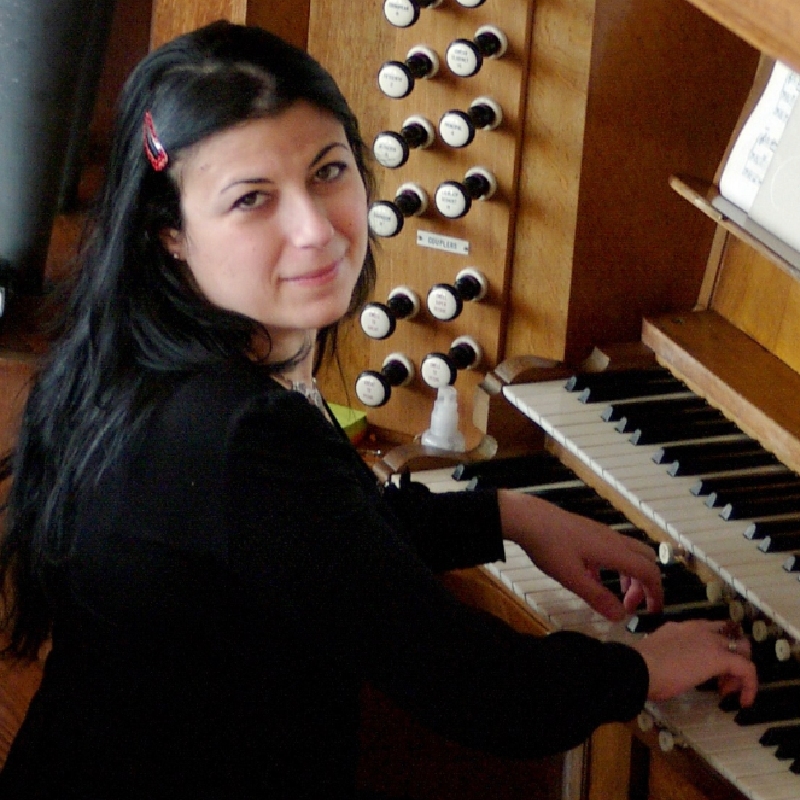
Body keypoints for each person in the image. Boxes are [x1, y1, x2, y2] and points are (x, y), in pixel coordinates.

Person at [0, 20, 756, 800]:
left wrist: (508, 515)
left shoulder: (137, 360)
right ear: (172, 236)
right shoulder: (234, 435)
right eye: (252, 199)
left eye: (329, 171)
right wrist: (645, 667)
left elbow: (317, 543)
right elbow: (489, 695)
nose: (316, 229)